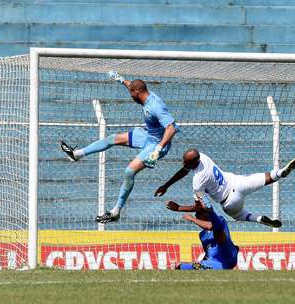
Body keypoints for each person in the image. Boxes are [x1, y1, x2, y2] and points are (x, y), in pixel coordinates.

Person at [61, 71, 179, 223]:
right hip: (148, 136)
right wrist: (121, 79)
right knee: (112, 139)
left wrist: (158, 149)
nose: (130, 97)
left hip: (157, 144)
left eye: (131, 94)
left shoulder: (155, 106)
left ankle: (116, 211)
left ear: (136, 93)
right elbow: (132, 85)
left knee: (129, 171)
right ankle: (77, 154)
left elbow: (171, 128)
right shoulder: (142, 93)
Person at [155, 149, 295, 227]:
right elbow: (185, 170)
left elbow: (199, 208)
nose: (183, 163)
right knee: (267, 177)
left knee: (240, 216)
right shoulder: (202, 156)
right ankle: (280, 173)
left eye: (185, 161)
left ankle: (259, 219)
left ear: (192, 162)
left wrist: (179, 208)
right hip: (237, 182)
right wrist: (167, 185)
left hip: (229, 201)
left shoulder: (198, 181)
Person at [167, 193, 239, 270]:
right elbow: (208, 255)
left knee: (217, 229)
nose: (196, 215)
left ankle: (182, 266)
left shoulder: (220, 220)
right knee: (189, 266)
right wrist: (200, 263)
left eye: (198, 214)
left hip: (228, 255)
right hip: (217, 262)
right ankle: (181, 266)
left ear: (206, 214)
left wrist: (192, 219)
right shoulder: (202, 235)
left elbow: (210, 226)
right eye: (196, 215)